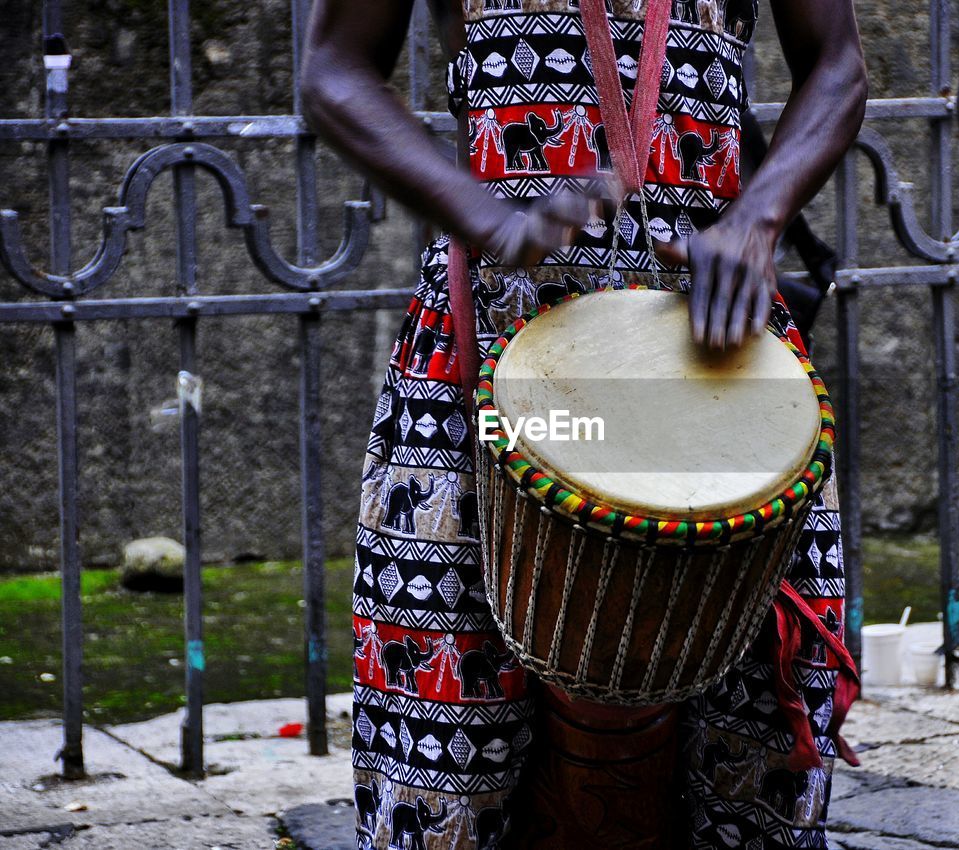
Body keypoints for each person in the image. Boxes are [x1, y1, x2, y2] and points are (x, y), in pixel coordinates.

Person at [300, 0, 867, 845]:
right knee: (448, 740)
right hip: (490, 368)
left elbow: (839, 66)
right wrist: (490, 218)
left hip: (714, 340)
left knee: (754, 751)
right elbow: (331, 71)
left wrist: (758, 217)